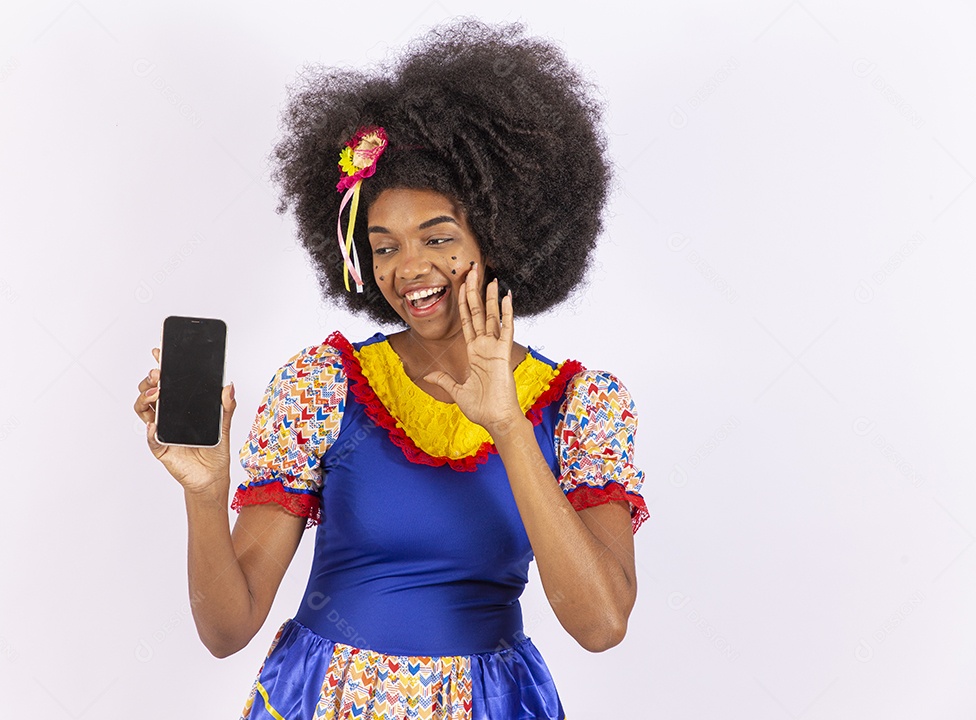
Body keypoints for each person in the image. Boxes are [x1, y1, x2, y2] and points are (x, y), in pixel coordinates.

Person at [134, 18, 649, 719]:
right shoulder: (324, 387)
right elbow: (227, 630)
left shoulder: (580, 406)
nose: (408, 270)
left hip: (490, 704)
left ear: (500, 236)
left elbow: (601, 625)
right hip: (325, 700)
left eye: (438, 237)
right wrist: (205, 487)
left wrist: (507, 424)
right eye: (383, 247)